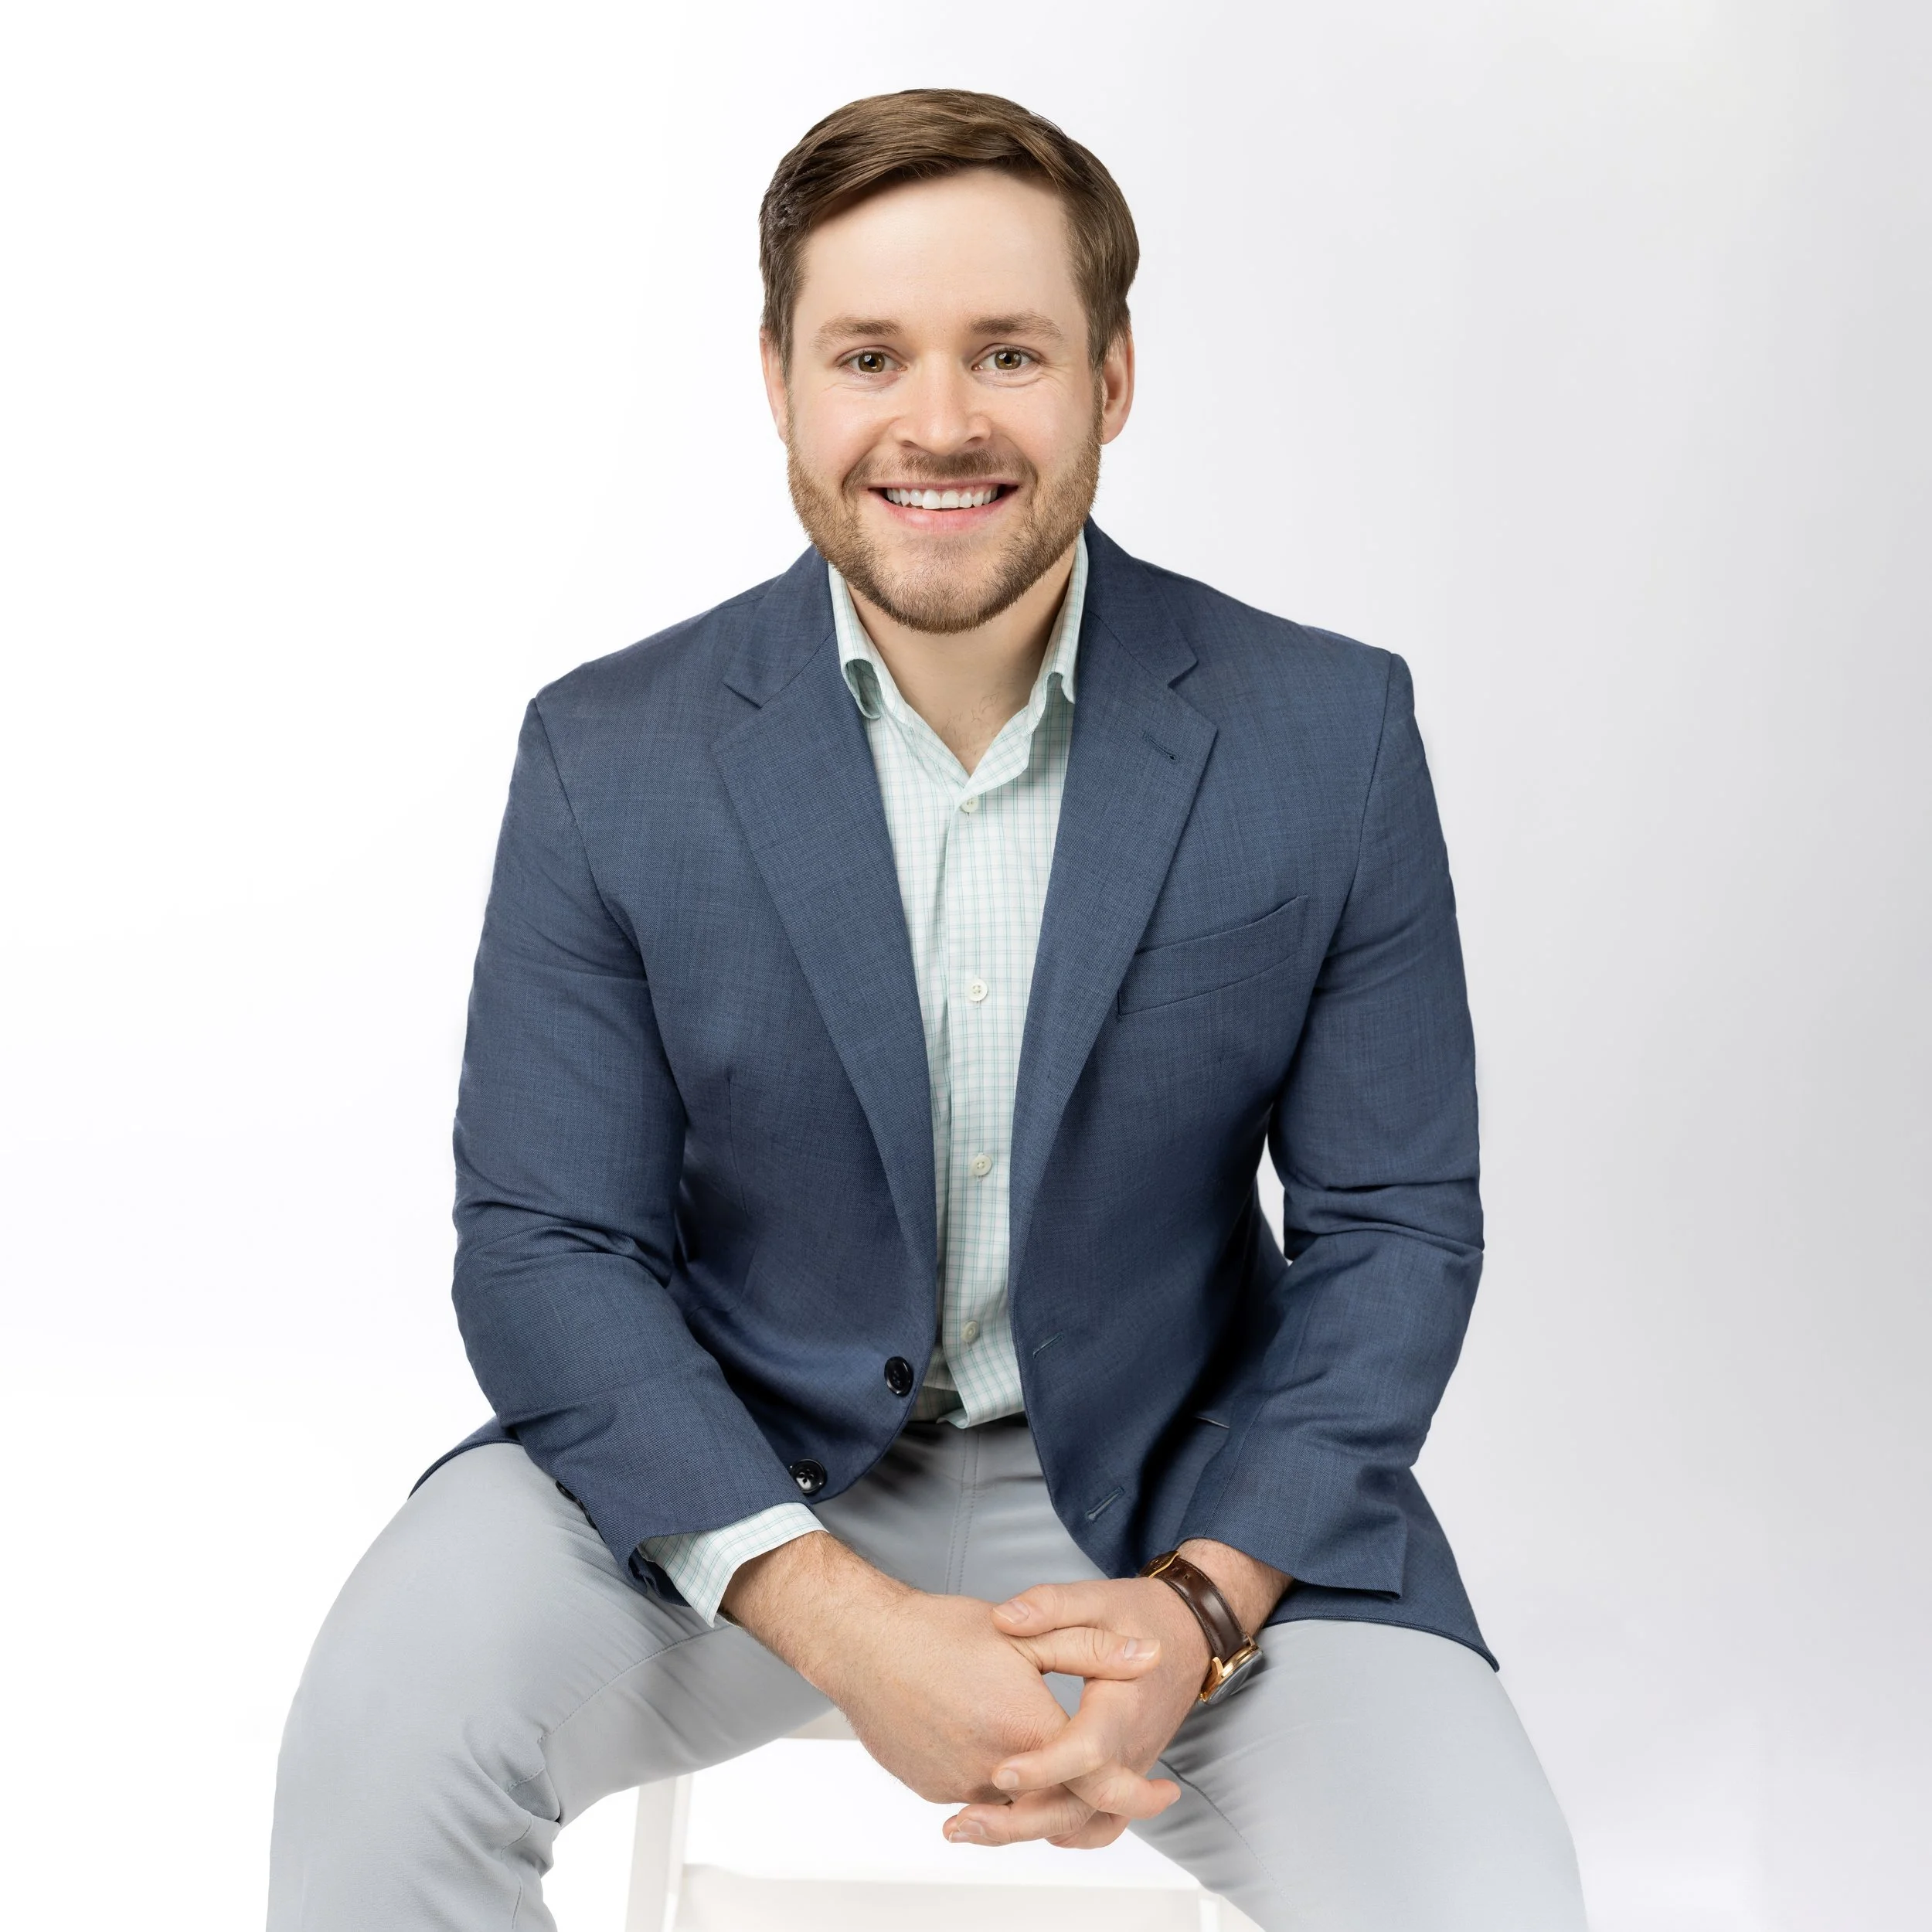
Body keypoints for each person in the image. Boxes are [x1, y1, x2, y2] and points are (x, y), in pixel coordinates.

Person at [268, 87, 1587, 1930]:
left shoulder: (1326, 733)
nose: (940, 420)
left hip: (1180, 1483)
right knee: (374, 1757)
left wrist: (1202, 1604)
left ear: (1111, 379)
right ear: (780, 380)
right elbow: (549, 1244)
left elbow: (1393, 1229)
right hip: (721, 1467)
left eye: (1010, 352)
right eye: (869, 352)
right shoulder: (609, 753)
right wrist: (833, 1613)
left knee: (1492, 1902)